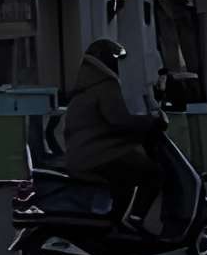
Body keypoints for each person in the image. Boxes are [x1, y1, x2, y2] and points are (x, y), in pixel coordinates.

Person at [57, 37, 162, 232]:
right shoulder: (105, 86)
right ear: (105, 61)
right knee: (152, 173)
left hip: (81, 156)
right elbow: (118, 120)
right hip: (97, 156)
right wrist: (149, 122)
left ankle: (114, 223)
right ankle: (134, 220)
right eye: (114, 60)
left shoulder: (83, 90)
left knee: (125, 179)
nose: (117, 65)